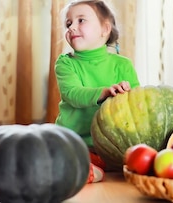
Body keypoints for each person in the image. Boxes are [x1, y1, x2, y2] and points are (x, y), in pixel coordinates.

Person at [55, 0, 140, 183]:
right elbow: (72, 93)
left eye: (81, 21)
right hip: (74, 142)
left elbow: (137, 107)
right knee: (49, 154)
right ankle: (90, 170)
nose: (72, 28)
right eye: (68, 23)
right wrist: (105, 92)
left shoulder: (123, 65)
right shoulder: (65, 63)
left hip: (109, 146)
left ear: (105, 29)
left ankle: (93, 170)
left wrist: (127, 95)